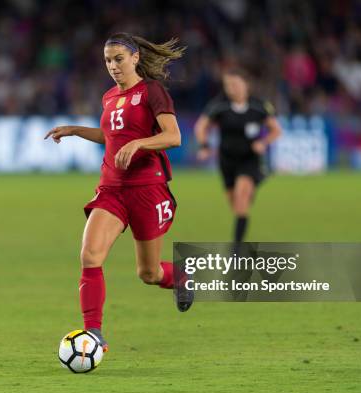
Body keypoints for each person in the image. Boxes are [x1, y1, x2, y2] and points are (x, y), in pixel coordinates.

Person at [45, 32, 187, 351]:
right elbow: (113, 137)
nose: (113, 66)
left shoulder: (153, 92)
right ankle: (93, 333)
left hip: (147, 190)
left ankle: (180, 277)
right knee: (90, 255)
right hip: (112, 189)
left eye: (119, 59)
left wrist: (140, 143)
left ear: (135, 58)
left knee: (148, 273)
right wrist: (75, 130)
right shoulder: (109, 97)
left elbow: (173, 136)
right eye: (108, 60)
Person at [194, 68, 282, 246]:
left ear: (246, 85)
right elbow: (201, 126)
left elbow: (276, 130)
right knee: (236, 205)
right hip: (226, 161)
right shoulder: (219, 105)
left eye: (235, 84)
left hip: (249, 159)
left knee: (242, 200)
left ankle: (237, 246)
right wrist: (204, 146)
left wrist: (263, 143)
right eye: (228, 85)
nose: (232, 88)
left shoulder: (259, 106)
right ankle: (256, 182)